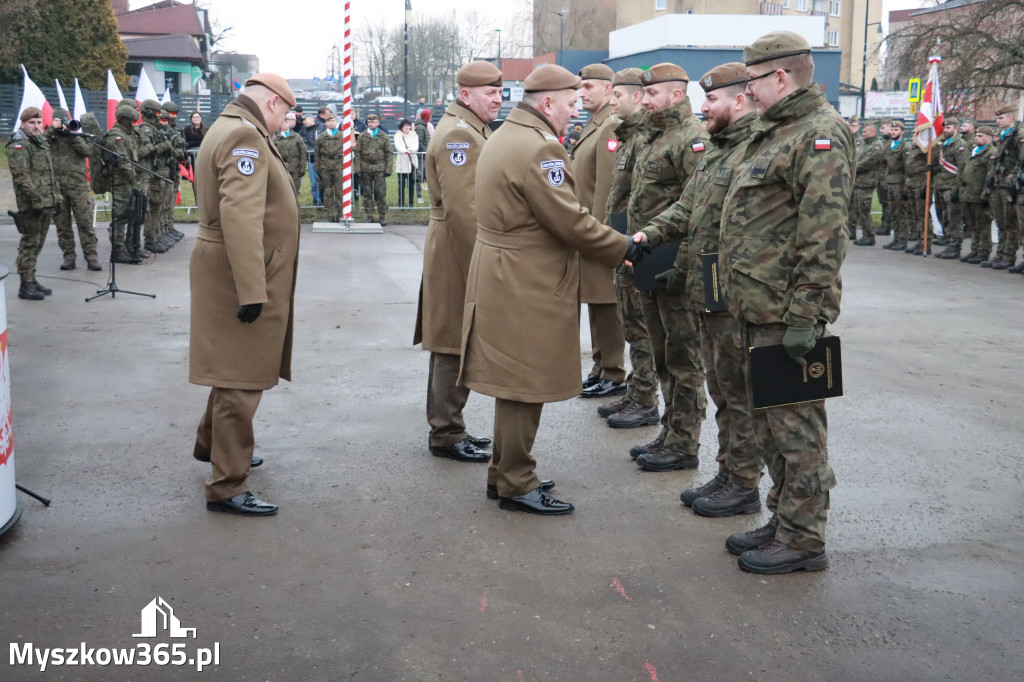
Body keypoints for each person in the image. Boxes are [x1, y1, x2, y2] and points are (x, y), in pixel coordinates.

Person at [459, 64, 645, 515]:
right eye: (569, 103)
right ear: (547, 103)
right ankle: (516, 481)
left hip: (505, 272)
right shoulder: (540, 147)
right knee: (526, 383)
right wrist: (622, 246)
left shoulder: (505, 134)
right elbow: (570, 221)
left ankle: (503, 472)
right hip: (526, 279)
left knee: (514, 382)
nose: (573, 111)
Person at [717, 31, 852, 574]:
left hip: (787, 313)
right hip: (756, 306)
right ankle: (783, 519)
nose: (746, 90)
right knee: (769, 426)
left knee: (798, 432)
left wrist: (806, 314)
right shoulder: (773, 130)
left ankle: (804, 538)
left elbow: (825, 234)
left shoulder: (819, 134)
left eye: (752, 80)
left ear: (780, 76)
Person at [635, 62, 765, 518]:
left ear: (739, 100)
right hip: (709, 284)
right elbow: (689, 210)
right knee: (722, 385)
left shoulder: (750, 148)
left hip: (738, 288)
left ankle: (744, 481)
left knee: (740, 391)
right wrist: (645, 237)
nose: (702, 106)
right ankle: (729, 472)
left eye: (710, 99)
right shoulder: (720, 151)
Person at [189, 73, 301, 517]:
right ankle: (227, 485)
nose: (284, 123)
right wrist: (253, 290)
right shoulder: (245, 136)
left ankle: (213, 446)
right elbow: (240, 215)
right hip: (239, 274)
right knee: (242, 380)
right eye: (285, 114)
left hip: (228, 267)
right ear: (272, 103)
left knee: (229, 369)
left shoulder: (228, 125)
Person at [413, 60, 503, 466]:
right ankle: (446, 433)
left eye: (499, 92)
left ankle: (448, 427)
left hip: (454, 246)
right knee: (452, 342)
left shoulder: (470, 128)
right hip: (457, 249)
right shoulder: (459, 135)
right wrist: (481, 267)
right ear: (466, 95)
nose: (497, 99)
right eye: (490, 93)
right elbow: (464, 210)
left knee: (453, 340)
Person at [627, 62, 710, 473]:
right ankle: (670, 431)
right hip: (650, 262)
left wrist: (681, 264)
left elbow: (698, 210)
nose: (644, 100)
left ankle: (685, 441)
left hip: (676, 267)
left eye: (652, 93)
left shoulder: (693, 138)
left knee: (684, 358)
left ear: (676, 95)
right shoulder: (656, 136)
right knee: (662, 354)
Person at [597, 68, 660, 431]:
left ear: (637, 96)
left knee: (642, 328)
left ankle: (646, 399)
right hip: (626, 243)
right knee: (632, 326)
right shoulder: (629, 136)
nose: (612, 101)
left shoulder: (646, 137)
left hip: (641, 247)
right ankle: (637, 392)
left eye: (617, 94)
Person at [571, 63, 628, 402]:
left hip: (598, 230)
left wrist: (602, 237)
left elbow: (606, 190)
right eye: (581, 87)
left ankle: (613, 371)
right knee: (595, 299)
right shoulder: (595, 124)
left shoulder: (610, 126)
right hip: (588, 229)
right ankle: (600, 367)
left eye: (589, 86)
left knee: (606, 302)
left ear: (608, 89)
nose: (582, 93)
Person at [7, 107, 58, 301]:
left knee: (38, 242)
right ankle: (25, 284)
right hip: (32, 204)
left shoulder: (39, 142)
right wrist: (36, 200)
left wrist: (56, 197)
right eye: (32, 123)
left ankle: (31, 278)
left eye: (38, 122)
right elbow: (21, 176)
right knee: (29, 243)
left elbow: (49, 173)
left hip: (46, 201)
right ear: (23, 124)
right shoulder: (19, 145)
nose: (36, 126)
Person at [47, 107, 101, 272]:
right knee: (62, 226)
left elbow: (87, 151)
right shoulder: (48, 138)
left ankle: (91, 257)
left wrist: (71, 135)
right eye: (59, 121)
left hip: (78, 187)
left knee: (85, 223)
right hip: (57, 189)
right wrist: (52, 131)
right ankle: (69, 257)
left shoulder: (76, 136)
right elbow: (40, 144)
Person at [102, 103, 145, 264]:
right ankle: (117, 250)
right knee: (120, 216)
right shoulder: (116, 137)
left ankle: (129, 247)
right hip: (120, 181)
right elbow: (122, 162)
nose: (134, 125)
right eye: (132, 122)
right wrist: (134, 178)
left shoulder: (128, 135)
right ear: (124, 120)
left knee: (130, 214)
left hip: (129, 180)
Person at [983, 105, 1020, 270]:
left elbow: (1021, 161)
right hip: (998, 183)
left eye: (1001, 118)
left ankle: (1008, 256)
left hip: (1008, 185)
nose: (997, 121)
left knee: (1010, 222)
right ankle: (1000, 254)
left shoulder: (1018, 135)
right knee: (1000, 221)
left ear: (1011, 118)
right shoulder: (1002, 136)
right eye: (997, 118)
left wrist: (1012, 178)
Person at [139, 99, 174, 255]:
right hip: (148, 172)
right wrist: (164, 146)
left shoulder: (156, 129)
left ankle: (154, 237)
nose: (160, 116)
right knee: (147, 207)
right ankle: (149, 239)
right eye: (157, 112)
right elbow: (145, 151)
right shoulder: (146, 129)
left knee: (158, 204)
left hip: (157, 172)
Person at [959, 126, 996, 264]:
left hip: (980, 195)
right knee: (973, 225)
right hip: (969, 194)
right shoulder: (974, 151)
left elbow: (990, 176)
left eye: (981, 136)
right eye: (976, 136)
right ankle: (974, 250)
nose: (977, 138)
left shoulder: (991, 152)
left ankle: (983, 251)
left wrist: (986, 195)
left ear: (989, 138)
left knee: (983, 225)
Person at [933, 118, 968, 259]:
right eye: (945, 128)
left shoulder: (960, 144)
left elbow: (962, 168)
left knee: (953, 218)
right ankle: (949, 241)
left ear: (956, 129)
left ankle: (955, 246)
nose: (945, 130)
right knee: (943, 216)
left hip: (952, 186)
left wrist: (957, 189)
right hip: (941, 185)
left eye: (948, 128)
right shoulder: (944, 145)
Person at [354, 113, 394, 225]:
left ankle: (382, 216)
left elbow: (389, 153)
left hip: (379, 168)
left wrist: (388, 168)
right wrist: (358, 168)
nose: (371, 124)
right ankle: (369, 216)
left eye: (373, 122)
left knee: (380, 193)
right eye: (369, 122)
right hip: (366, 167)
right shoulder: (362, 136)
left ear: (378, 123)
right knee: (367, 193)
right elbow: (358, 153)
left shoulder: (383, 136)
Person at [850, 121, 885, 246]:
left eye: (865, 132)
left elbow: (867, 162)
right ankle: (862, 233)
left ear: (873, 131)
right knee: (857, 209)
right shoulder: (864, 145)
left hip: (866, 183)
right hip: (858, 182)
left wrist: (851, 167)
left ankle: (869, 236)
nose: (863, 134)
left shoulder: (877, 146)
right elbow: (857, 158)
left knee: (864, 209)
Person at [901, 126, 931, 255]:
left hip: (920, 183)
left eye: (916, 134)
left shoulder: (926, 149)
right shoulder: (913, 148)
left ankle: (926, 243)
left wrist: (925, 185)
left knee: (922, 214)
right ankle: (919, 240)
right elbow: (908, 169)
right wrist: (906, 187)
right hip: (911, 183)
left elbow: (930, 168)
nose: (914, 137)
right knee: (914, 214)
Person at [314, 111, 345, 221]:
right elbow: (317, 153)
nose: (331, 123)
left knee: (339, 191)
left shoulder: (342, 135)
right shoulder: (321, 136)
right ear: (326, 123)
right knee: (328, 191)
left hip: (338, 165)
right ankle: (330, 214)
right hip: (325, 166)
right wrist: (317, 166)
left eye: (333, 121)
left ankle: (340, 213)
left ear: (336, 122)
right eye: (329, 121)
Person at [882, 120, 908, 251]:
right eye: (892, 130)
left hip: (900, 183)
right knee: (892, 211)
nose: (893, 132)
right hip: (890, 182)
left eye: (896, 130)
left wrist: (906, 187)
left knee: (901, 212)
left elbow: (907, 168)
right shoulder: (889, 146)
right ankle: (896, 238)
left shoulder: (905, 147)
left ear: (902, 132)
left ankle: (902, 239)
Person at [274, 111, 308, 197]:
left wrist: (302, 168)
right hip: (280, 168)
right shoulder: (275, 138)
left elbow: (303, 153)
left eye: (286, 122)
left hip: (294, 169)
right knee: (281, 192)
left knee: (294, 191)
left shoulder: (297, 138)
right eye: (282, 122)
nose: (284, 124)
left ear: (289, 123)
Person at [299, 112, 326, 206]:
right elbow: (302, 143)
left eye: (305, 119)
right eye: (303, 120)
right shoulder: (303, 130)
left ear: (311, 119)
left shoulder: (322, 127)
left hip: (323, 159)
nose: (304, 122)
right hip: (311, 159)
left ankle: (325, 200)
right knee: (314, 182)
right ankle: (316, 201)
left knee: (324, 181)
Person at [393, 119, 419, 207]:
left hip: (412, 163)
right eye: (406, 126)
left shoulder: (414, 134)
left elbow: (416, 145)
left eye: (409, 126)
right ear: (402, 127)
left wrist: (411, 150)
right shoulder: (398, 135)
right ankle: (401, 204)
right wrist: (405, 151)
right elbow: (398, 146)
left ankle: (410, 204)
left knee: (411, 185)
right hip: (402, 163)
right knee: (401, 185)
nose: (408, 127)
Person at [875, 120, 893, 237]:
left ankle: (887, 225)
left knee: (888, 203)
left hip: (887, 178)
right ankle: (884, 223)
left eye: (883, 128)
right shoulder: (885, 143)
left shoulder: (892, 143)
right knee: (883, 202)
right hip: (881, 178)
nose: (881, 131)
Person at [414, 109, 432, 202]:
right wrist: (426, 151)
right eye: (430, 115)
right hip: (421, 156)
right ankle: (419, 196)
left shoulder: (423, 126)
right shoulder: (420, 127)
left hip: (424, 156)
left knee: (426, 176)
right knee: (419, 177)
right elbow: (419, 142)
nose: (431, 117)